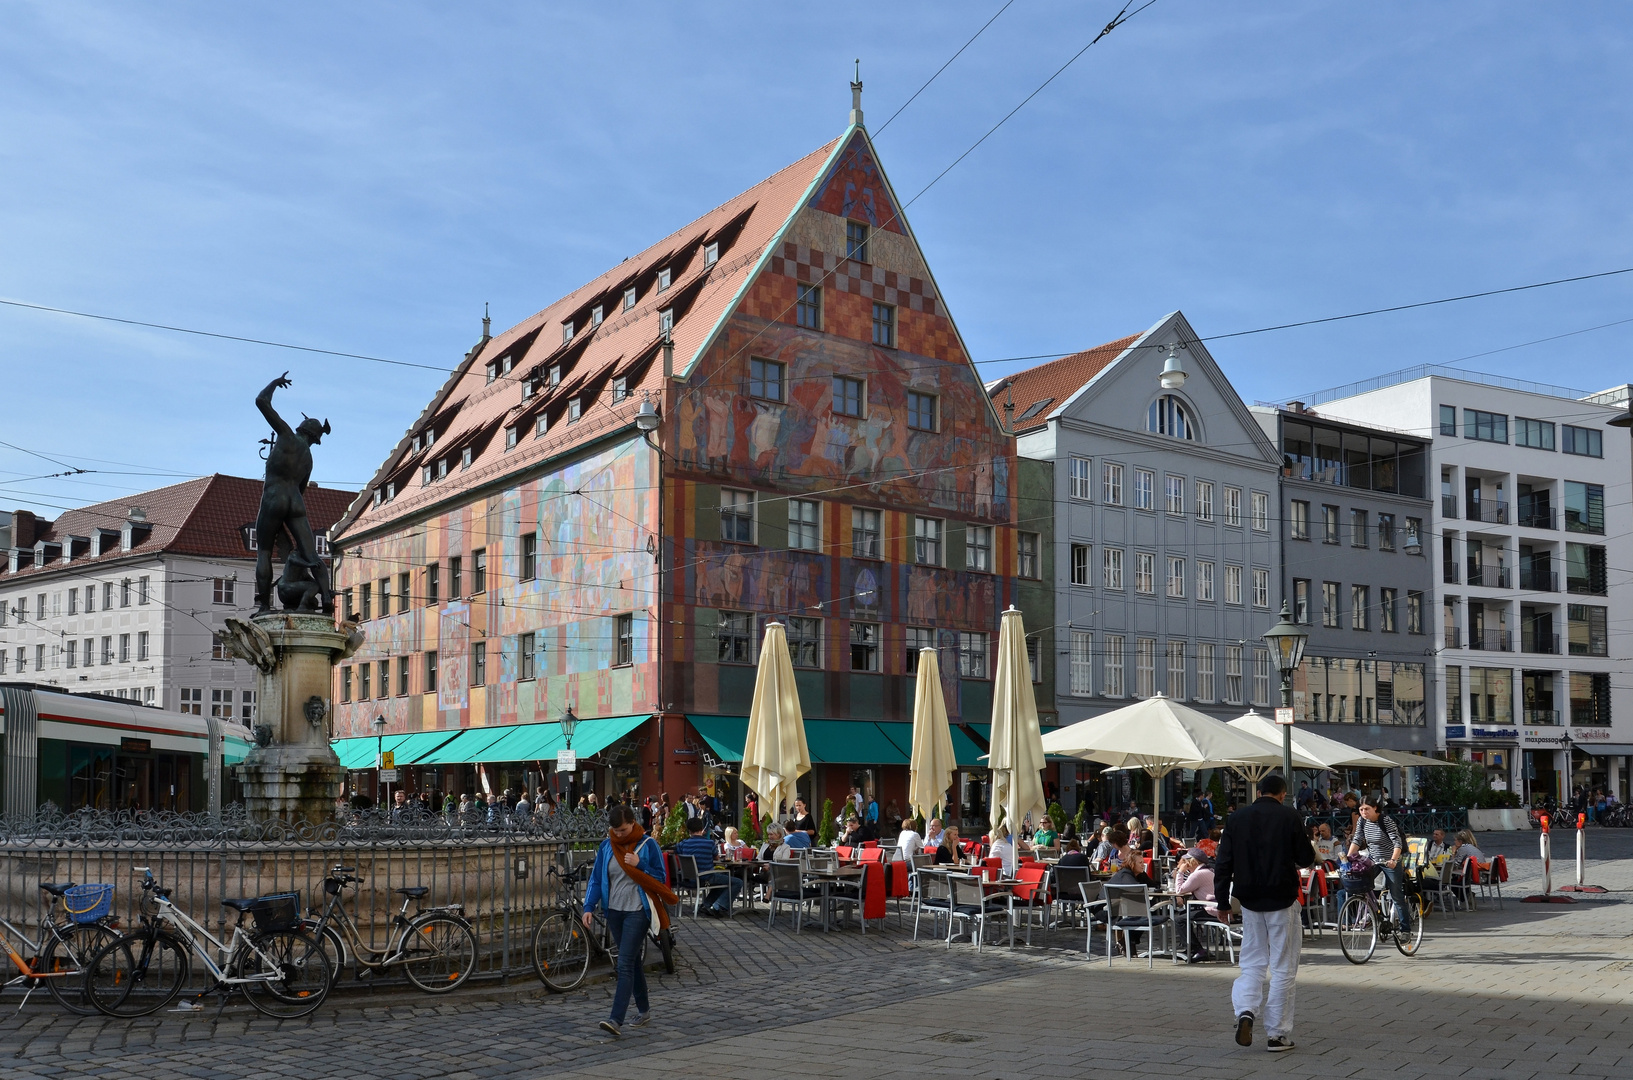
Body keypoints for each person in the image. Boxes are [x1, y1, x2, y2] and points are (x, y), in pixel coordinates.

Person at [1214, 774, 1315, 1054]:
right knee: (1283, 966)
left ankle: (1245, 1011)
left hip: (1248, 899)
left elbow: (1223, 863)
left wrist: (1223, 902)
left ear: (1258, 791)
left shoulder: (1236, 819)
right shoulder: (1289, 816)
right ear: (1282, 794)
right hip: (1282, 899)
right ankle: (1277, 1034)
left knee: (1252, 962)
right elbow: (1306, 858)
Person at [581, 804, 676, 1037]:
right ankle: (644, 1011)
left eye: (623, 830)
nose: (619, 834)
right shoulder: (607, 847)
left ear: (633, 823)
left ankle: (615, 1019)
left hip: (637, 910)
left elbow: (661, 878)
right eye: (615, 830)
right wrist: (589, 906)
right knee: (631, 961)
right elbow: (596, 879)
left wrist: (639, 865)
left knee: (623, 963)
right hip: (614, 911)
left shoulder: (648, 845)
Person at [1345, 795, 1413, 938]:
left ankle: (1405, 930)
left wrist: (1394, 860)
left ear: (1375, 808)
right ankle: (1375, 914)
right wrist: (1348, 858)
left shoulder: (1385, 821)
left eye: (1367, 809)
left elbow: (1397, 842)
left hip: (1390, 860)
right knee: (1361, 883)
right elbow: (1357, 839)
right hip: (1373, 859)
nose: (1364, 812)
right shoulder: (1362, 821)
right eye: (1361, 809)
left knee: (1396, 896)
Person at [675, 816, 739, 917]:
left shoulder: (683, 844)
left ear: (689, 830)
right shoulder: (709, 843)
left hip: (689, 881)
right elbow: (717, 858)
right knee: (737, 882)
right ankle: (718, 906)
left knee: (721, 881)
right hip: (706, 881)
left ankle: (706, 905)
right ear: (702, 829)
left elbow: (675, 850)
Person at [1174, 847, 1220, 963]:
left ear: (1193, 861)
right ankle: (1190, 948)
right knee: (1184, 914)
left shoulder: (1198, 874)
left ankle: (1198, 950)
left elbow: (1179, 890)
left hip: (1211, 909)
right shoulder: (1209, 870)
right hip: (1216, 907)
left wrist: (1180, 872)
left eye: (1187, 861)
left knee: (1179, 920)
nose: (1185, 863)